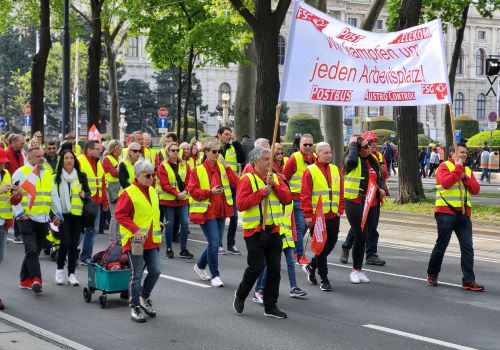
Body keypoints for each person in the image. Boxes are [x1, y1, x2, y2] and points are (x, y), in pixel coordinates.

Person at [233, 147, 292, 319]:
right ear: (256, 161)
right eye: (266, 159)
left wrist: (274, 187)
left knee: (275, 269)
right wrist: (261, 193)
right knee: (256, 267)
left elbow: (287, 199)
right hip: (254, 231)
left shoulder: (274, 177)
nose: (270, 162)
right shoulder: (247, 179)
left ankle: (270, 305)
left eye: (270, 159)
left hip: (273, 230)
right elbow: (241, 205)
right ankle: (241, 294)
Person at [426, 143, 483, 291]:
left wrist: (464, 177)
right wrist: (458, 170)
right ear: (452, 154)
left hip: (463, 214)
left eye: (465, 152)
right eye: (461, 152)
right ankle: (432, 274)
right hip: (445, 212)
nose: (464, 155)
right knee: (442, 245)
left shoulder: (468, 170)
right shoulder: (444, 166)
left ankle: (468, 280)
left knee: (467, 247)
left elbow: (476, 190)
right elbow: (445, 183)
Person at [115, 160, 162, 323]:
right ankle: (134, 306)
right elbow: (120, 214)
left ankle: (143, 297)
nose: (151, 178)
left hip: (152, 240)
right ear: (137, 176)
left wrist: (158, 224)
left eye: (153, 175)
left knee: (156, 271)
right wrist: (135, 230)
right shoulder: (129, 192)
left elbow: (151, 213)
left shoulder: (153, 191)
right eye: (147, 175)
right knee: (137, 274)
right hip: (135, 241)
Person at [187, 139, 239, 287]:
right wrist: (210, 192)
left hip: (222, 210)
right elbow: (193, 191)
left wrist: (227, 167)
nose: (217, 154)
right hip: (206, 210)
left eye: (219, 152)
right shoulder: (198, 170)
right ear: (207, 152)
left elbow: (237, 183)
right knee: (215, 242)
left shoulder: (222, 168)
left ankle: (200, 266)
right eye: (214, 152)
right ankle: (215, 275)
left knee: (213, 243)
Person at [13, 146, 63, 293]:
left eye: (42, 155)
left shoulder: (47, 173)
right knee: (31, 249)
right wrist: (20, 213)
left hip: (44, 219)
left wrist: (58, 215)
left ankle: (24, 279)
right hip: (26, 218)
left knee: (34, 251)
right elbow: (13, 196)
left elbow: (53, 196)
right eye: (37, 156)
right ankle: (36, 279)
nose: (41, 158)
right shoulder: (20, 173)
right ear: (28, 157)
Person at [301, 142, 344, 291]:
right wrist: (307, 215)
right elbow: (305, 195)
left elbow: (340, 190)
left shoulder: (335, 169)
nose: (329, 155)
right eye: (325, 153)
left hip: (333, 215)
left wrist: (341, 207)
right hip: (318, 217)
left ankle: (312, 266)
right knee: (321, 248)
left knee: (331, 244)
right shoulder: (310, 171)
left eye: (330, 152)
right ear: (317, 154)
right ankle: (324, 279)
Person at [340, 131, 387, 266]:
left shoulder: (375, 158)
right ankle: (347, 250)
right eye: (368, 144)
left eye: (374, 143)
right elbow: (351, 162)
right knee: (359, 232)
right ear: (358, 147)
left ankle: (371, 255)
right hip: (357, 201)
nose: (372, 146)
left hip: (373, 201)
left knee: (371, 230)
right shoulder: (352, 158)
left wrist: (382, 188)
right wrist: (353, 143)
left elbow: (381, 177)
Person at [54, 149, 90, 286]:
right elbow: (53, 197)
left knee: (74, 245)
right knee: (65, 243)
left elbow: (88, 194)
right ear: (62, 161)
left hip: (77, 215)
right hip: (62, 215)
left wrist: (84, 194)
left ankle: (71, 274)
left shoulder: (80, 176)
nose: (69, 160)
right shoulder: (56, 177)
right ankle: (59, 270)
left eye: (71, 158)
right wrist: (54, 215)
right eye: (66, 158)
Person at [283, 134, 316, 265]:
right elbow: (285, 177)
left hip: (310, 199)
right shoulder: (294, 158)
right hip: (297, 199)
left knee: (304, 228)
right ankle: (299, 255)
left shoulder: (315, 158)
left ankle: (293, 249)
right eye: (305, 144)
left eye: (310, 144)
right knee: (300, 227)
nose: (308, 147)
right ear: (300, 145)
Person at [157, 142, 193, 259]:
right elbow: (164, 184)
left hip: (183, 199)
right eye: (173, 150)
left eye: (177, 150)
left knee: (185, 223)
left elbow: (190, 181)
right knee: (169, 224)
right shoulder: (163, 166)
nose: (176, 152)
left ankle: (183, 249)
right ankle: (169, 248)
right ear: (168, 152)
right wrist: (177, 194)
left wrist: (185, 192)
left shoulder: (185, 165)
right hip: (169, 201)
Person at [78, 141, 108, 264]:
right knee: (80, 230)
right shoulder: (79, 161)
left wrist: (104, 201)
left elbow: (102, 183)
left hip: (96, 201)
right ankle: (71, 252)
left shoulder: (98, 163)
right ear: (89, 149)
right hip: (83, 201)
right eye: (97, 149)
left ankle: (85, 257)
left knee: (93, 230)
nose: (100, 151)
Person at [217, 126, 246, 255]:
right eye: (226, 134)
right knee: (220, 217)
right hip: (218, 188)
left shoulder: (232, 147)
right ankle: (218, 244)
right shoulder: (213, 149)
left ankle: (231, 244)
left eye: (230, 134)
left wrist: (236, 142)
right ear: (219, 135)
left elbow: (241, 159)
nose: (229, 136)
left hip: (232, 187)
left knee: (233, 217)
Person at [0, 148, 22, 308]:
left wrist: (16, 195)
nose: (2, 165)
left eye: (3, 162)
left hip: (3, 223)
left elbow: (11, 201)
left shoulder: (6, 174)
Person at [6, 134, 25, 244]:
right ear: (14, 142)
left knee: (18, 206)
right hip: (9, 185)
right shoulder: (7, 153)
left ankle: (17, 233)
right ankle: (15, 233)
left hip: (17, 184)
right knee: (11, 208)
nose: (23, 144)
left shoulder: (20, 154)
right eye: (21, 142)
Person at [102, 139, 123, 242]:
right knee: (114, 215)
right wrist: (123, 171)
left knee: (119, 215)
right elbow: (114, 173)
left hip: (117, 188)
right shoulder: (107, 159)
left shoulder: (118, 159)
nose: (122, 149)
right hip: (111, 188)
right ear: (115, 148)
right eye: (120, 147)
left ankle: (118, 238)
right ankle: (112, 240)